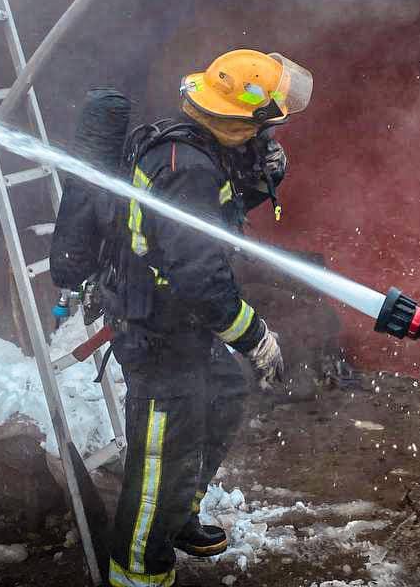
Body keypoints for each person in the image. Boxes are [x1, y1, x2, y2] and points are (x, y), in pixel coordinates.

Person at [106, 48, 312, 587]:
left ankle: (177, 517)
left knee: (223, 394)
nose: (270, 133)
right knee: (160, 463)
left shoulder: (201, 148)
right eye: (263, 123)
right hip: (158, 331)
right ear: (240, 119)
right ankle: (138, 574)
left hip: (181, 323)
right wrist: (255, 336)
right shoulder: (187, 169)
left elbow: (212, 221)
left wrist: (259, 179)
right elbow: (199, 275)